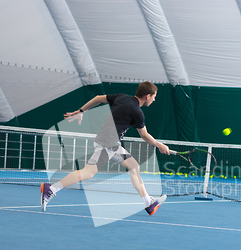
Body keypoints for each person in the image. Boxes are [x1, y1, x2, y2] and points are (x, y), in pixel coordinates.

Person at [40, 81, 170, 215]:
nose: (154, 99)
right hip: (107, 145)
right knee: (88, 173)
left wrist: (81, 111)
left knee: (134, 166)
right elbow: (144, 135)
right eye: (154, 96)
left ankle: (148, 202)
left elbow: (98, 98)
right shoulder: (137, 112)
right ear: (147, 96)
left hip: (113, 145)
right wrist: (160, 145)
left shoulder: (121, 97)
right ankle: (52, 189)